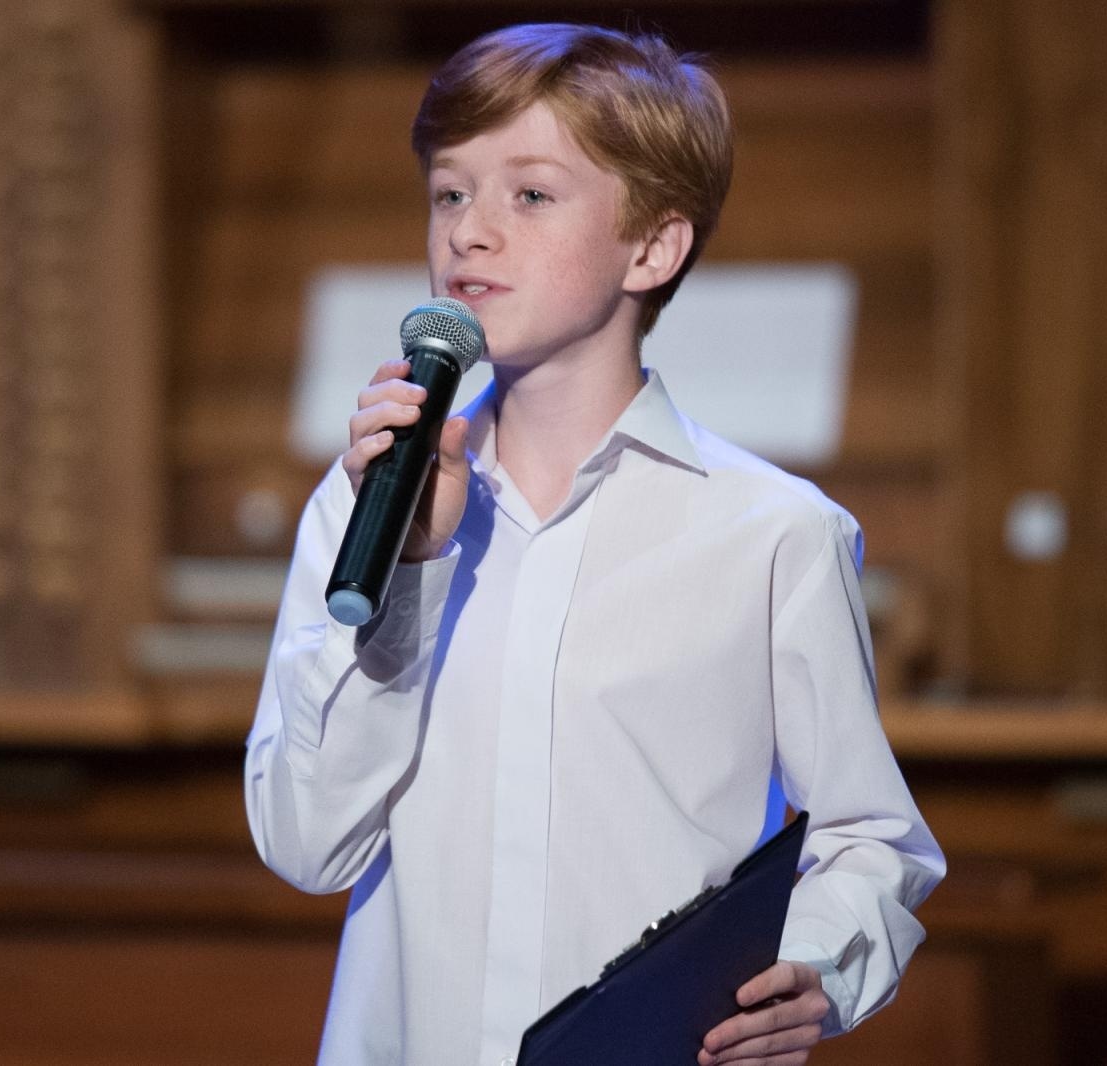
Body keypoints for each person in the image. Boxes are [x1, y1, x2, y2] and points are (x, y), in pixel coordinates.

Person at [244, 22, 945, 1066]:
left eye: (528, 194)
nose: (469, 232)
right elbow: (308, 844)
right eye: (449, 192)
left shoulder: (770, 533)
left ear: (653, 246)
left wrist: (815, 967)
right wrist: (411, 576)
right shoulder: (366, 505)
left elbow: (871, 836)